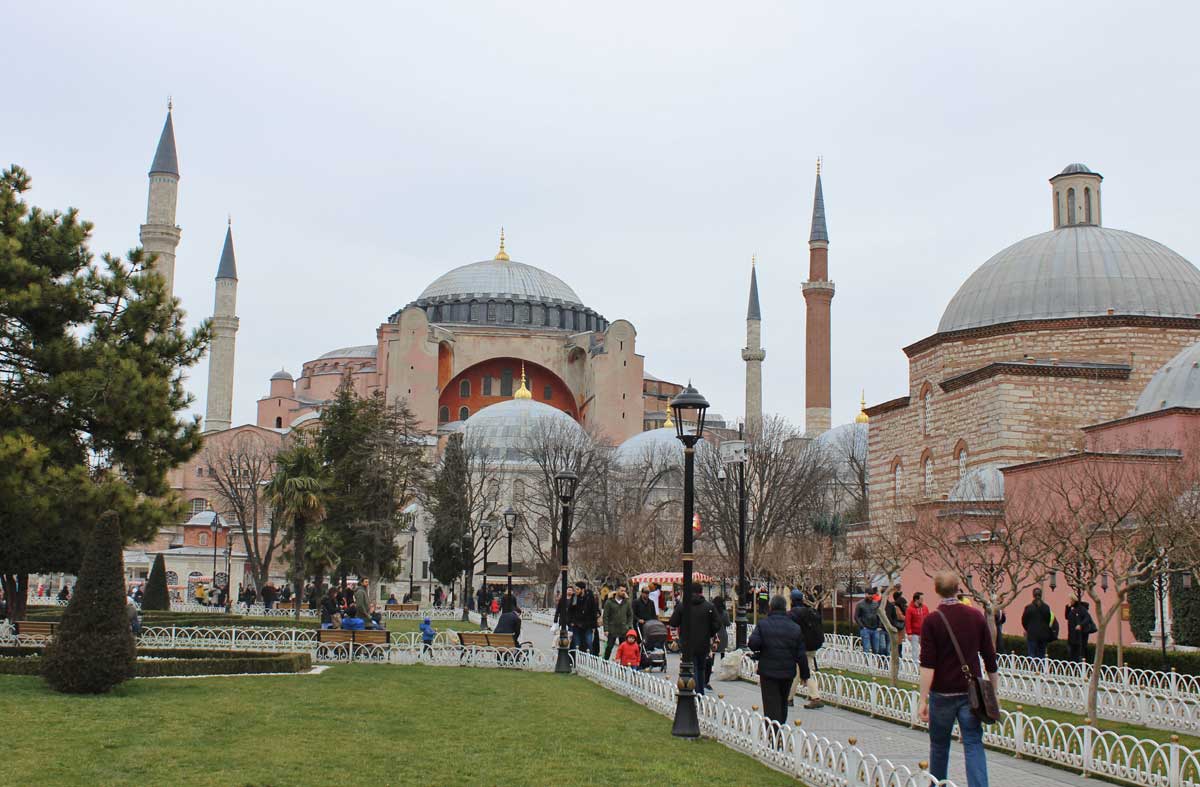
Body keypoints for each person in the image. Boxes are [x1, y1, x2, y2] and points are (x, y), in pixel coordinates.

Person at [918, 572, 998, 787]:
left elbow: (928, 665)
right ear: (958, 588)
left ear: (936, 590)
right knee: (973, 743)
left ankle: (938, 784)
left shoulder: (932, 621)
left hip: (942, 693)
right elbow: (990, 657)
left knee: (939, 746)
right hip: (969, 692)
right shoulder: (976, 616)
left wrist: (922, 699)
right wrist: (994, 690)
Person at [748, 595, 809, 729]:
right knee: (783, 701)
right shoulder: (794, 627)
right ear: (785, 608)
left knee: (771, 703)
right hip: (787, 671)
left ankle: (773, 734)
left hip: (768, 671)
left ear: (771, 607)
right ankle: (780, 727)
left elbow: (753, 643)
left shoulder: (763, 624)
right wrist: (805, 675)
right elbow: (801, 654)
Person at [668, 587, 720, 695]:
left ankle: (693, 692)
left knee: (692, 668)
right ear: (701, 592)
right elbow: (717, 624)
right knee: (701, 668)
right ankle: (700, 692)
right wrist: (709, 633)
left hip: (688, 643)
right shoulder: (709, 606)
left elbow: (673, 622)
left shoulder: (683, 606)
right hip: (703, 642)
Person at [787, 590, 824, 709]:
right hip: (812, 646)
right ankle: (789, 698)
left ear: (792, 600)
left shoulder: (792, 614)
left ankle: (815, 697)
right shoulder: (811, 611)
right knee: (799, 672)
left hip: (801, 647)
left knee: (804, 672)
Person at [602, 584, 634, 660]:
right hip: (612, 628)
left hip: (623, 629)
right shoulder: (609, 602)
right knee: (609, 646)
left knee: (623, 647)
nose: (623, 592)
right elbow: (605, 616)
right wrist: (606, 629)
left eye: (624, 591)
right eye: (621, 590)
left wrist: (629, 626)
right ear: (617, 590)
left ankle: (622, 663)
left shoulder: (626, 602)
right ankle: (605, 661)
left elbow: (630, 615)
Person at [1021, 588, 1053, 660]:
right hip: (1043, 634)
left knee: (1031, 654)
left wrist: (1028, 628)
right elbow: (1048, 619)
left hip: (1032, 634)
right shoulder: (1046, 607)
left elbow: (1024, 620)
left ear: (1033, 595)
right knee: (1042, 656)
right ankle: (1041, 670)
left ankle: (1032, 669)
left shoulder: (1028, 607)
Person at [568, 581, 599, 653]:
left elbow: (594, 611)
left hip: (588, 625)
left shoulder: (590, 597)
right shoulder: (574, 597)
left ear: (582, 590)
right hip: (576, 624)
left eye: (578, 589)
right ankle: (576, 661)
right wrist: (571, 621)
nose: (576, 591)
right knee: (576, 644)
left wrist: (594, 626)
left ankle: (590, 659)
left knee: (589, 643)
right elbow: (570, 611)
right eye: (575, 589)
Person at [1066, 595, 1096, 663]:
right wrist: (1067, 608)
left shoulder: (1081, 609)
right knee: (1072, 654)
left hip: (1080, 636)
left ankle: (1080, 667)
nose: (1070, 601)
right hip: (1072, 636)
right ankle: (1073, 668)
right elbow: (1067, 617)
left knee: (1079, 654)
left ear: (1074, 600)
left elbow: (1087, 618)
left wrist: (1080, 625)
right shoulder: (1072, 610)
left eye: (1071, 600)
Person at [905, 591, 929, 661]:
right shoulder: (910, 609)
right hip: (914, 633)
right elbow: (907, 621)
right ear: (916, 599)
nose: (923, 600)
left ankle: (924, 662)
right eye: (921, 599)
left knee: (925, 649)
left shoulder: (925, 608)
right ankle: (916, 667)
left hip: (924, 632)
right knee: (915, 650)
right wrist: (909, 633)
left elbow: (928, 619)